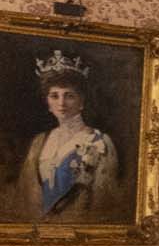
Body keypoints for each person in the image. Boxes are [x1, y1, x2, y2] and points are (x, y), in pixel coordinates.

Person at [16, 50, 121, 223]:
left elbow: (104, 203)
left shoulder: (100, 142)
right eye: (54, 96)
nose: (61, 103)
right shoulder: (39, 142)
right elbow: (25, 195)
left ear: (82, 102)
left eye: (69, 96)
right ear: (48, 103)